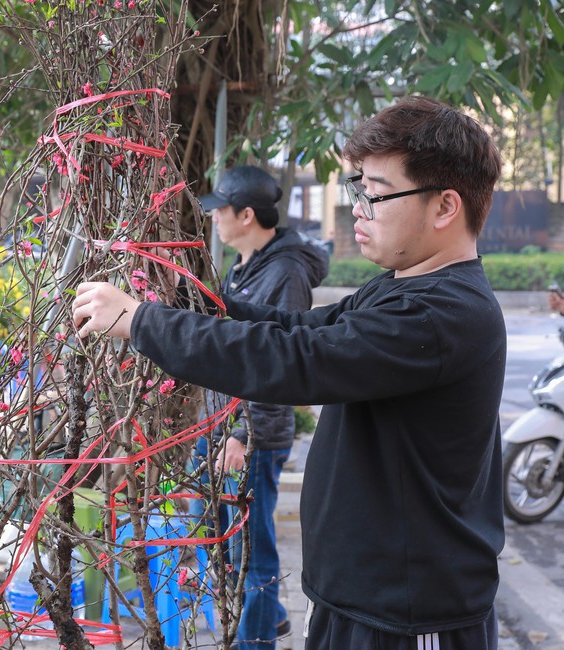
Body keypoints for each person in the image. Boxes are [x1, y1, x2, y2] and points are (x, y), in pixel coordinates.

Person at [72, 96, 505, 650]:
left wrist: (142, 323)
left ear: (445, 206)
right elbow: (294, 329)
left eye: (373, 195)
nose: (358, 210)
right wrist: (184, 298)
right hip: (364, 598)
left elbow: (295, 362)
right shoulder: (401, 287)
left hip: (409, 614)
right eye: (358, 193)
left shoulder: (444, 313)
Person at [194, 165, 329, 649]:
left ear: (247, 214)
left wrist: (242, 434)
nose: (214, 220)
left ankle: (257, 641)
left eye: (221, 211)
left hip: (248, 436)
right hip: (220, 425)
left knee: (251, 552)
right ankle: (265, 621)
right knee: (219, 541)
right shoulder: (245, 265)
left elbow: (280, 361)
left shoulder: (286, 273)